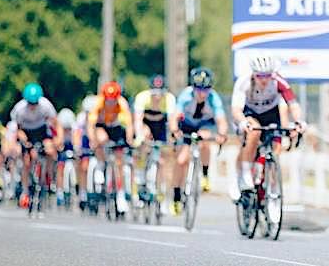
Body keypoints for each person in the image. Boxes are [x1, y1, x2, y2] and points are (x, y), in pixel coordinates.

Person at [231, 54, 305, 195]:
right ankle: (245, 173)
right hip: (249, 113)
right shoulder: (244, 82)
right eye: (260, 76)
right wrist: (243, 122)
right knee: (254, 133)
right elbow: (236, 109)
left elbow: (293, 104)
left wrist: (298, 122)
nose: (264, 80)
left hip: (271, 113)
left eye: (267, 75)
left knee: (276, 148)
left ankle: (270, 183)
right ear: (254, 74)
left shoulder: (279, 81)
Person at [171, 67, 228, 215]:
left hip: (204, 124)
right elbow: (175, 116)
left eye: (206, 89)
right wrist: (174, 130)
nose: (202, 93)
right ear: (193, 87)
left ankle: (204, 174)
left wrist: (222, 134)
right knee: (181, 160)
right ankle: (176, 195)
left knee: (205, 139)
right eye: (198, 89)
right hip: (187, 126)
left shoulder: (213, 98)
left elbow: (221, 119)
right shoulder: (186, 95)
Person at [9, 83, 63, 212]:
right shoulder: (19, 109)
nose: (33, 106)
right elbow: (17, 130)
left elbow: (56, 124)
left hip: (41, 131)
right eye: (30, 103)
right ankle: (25, 189)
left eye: (35, 103)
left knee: (50, 149)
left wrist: (58, 139)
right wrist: (22, 141)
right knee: (28, 159)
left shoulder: (46, 105)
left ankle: (48, 176)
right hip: (26, 132)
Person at [87, 81, 134, 213]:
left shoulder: (122, 103)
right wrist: (92, 140)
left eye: (113, 100)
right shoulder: (98, 102)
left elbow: (129, 124)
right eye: (108, 100)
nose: (111, 102)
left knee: (119, 162)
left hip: (116, 128)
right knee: (101, 139)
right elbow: (91, 125)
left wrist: (129, 140)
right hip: (102, 127)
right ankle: (101, 166)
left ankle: (120, 195)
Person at [133, 74, 176, 214]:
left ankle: (161, 195)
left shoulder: (169, 99)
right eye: (155, 93)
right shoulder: (142, 97)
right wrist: (139, 136)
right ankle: (140, 172)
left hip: (161, 127)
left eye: (160, 93)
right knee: (143, 138)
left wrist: (171, 139)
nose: (157, 97)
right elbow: (138, 120)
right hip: (146, 125)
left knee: (163, 160)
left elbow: (170, 123)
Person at [56, 108, 77, 207]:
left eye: (68, 128)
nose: (67, 130)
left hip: (71, 148)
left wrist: (77, 149)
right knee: (60, 167)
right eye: (65, 128)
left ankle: (75, 185)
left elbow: (77, 141)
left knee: (77, 163)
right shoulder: (58, 129)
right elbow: (58, 143)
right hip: (62, 149)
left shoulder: (74, 128)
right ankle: (60, 191)